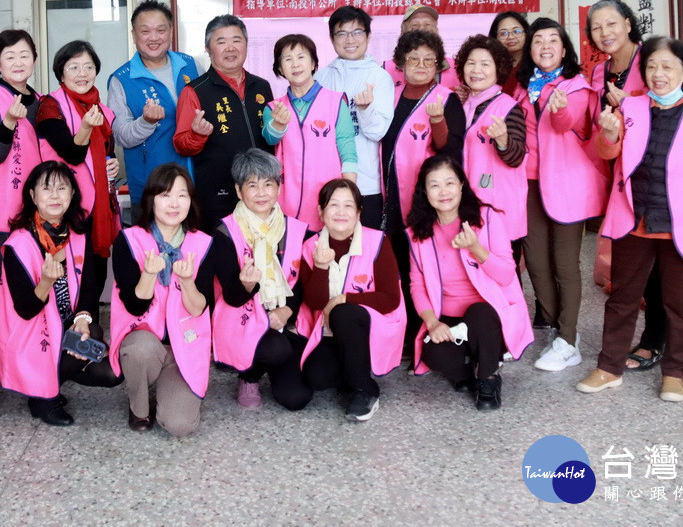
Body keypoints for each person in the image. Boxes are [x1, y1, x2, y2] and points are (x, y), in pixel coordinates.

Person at [577, 37, 683, 403]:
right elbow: (607, 153)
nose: (658, 74)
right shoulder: (630, 107)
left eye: (667, 66)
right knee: (622, 299)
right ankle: (609, 368)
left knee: (682, 307)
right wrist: (609, 133)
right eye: (651, 66)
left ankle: (675, 373)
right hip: (634, 220)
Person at [0, 161, 122, 427]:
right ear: (32, 195)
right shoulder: (19, 243)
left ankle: (54, 377)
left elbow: (89, 288)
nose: (55, 195)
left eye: (62, 188)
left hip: (65, 329)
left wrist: (83, 319)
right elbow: (25, 309)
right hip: (32, 337)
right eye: (46, 188)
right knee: (79, 346)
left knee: (111, 371)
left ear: (72, 194)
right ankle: (42, 397)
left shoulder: (78, 235)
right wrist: (45, 282)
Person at [515, 18, 608, 372]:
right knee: (536, 263)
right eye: (538, 40)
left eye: (552, 40)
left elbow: (568, 123)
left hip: (567, 186)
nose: (545, 46)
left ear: (564, 48)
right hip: (529, 184)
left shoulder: (577, 87)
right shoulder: (523, 89)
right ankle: (560, 328)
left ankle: (568, 339)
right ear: (530, 50)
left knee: (565, 263)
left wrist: (559, 109)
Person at [405, 155, 532, 410]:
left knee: (480, 314)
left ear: (462, 184)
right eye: (434, 185)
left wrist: (476, 248)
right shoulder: (418, 232)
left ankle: (488, 378)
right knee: (434, 355)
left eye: (450, 183)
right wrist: (432, 323)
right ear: (424, 191)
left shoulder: (487, 218)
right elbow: (416, 285)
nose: (443, 192)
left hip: (488, 315)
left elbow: (506, 275)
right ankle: (470, 369)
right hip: (449, 317)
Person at [110, 164, 226, 436]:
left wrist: (186, 281)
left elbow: (199, 309)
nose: (174, 203)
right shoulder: (129, 240)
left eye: (182, 195)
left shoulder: (204, 244)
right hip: (146, 342)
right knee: (139, 349)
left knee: (180, 426)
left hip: (184, 345)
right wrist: (149, 275)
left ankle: (171, 386)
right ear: (151, 200)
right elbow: (134, 306)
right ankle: (139, 408)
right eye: (165, 195)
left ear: (190, 201)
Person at [587, 0, 664, 372]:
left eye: (611, 23)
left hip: (654, 172)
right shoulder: (599, 72)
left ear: (629, 24)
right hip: (618, 174)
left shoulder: (652, 60)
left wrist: (630, 104)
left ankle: (655, 340)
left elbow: (671, 108)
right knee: (633, 261)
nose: (605, 32)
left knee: (657, 260)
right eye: (597, 27)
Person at [380, 29, 465, 349]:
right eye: (413, 59)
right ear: (400, 63)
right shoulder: (390, 95)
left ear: (438, 65)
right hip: (389, 195)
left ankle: (426, 331)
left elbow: (451, 153)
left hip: (424, 198)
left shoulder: (446, 99)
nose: (420, 65)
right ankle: (401, 334)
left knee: (421, 266)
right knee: (396, 266)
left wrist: (438, 121)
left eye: (429, 60)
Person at [213, 149, 313, 411]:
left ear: (278, 188)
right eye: (252, 185)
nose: (261, 193)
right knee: (276, 350)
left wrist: (287, 310)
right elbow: (232, 296)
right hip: (245, 319)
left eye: (268, 184)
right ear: (238, 191)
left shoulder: (296, 230)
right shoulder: (225, 232)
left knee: (296, 398)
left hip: (286, 320)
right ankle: (250, 376)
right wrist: (246, 284)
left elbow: (304, 282)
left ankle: (277, 362)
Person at [298, 179, 406, 422]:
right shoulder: (309, 247)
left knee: (344, 312)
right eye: (333, 205)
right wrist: (321, 266)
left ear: (358, 213)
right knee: (316, 378)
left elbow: (391, 299)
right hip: (329, 333)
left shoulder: (378, 242)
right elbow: (314, 303)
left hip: (370, 330)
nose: (341, 212)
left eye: (348, 205)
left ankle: (365, 390)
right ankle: (353, 371)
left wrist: (344, 298)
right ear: (321, 211)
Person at [37, 40, 121, 310]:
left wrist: (112, 164)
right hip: (66, 207)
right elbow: (71, 153)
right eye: (73, 67)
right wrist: (85, 127)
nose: (82, 73)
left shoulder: (101, 109)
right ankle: (71, 331)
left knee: (96, 276)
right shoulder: (50, 106)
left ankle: (89, 329)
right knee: (74, 279)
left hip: (99, 205)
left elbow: (106, 152)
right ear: (61, 73)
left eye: (88, 67)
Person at [0, 28, 43, 337]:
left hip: (36, 209)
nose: (18, 62)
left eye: (24, 55)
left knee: (31, 283)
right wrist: (9, 122)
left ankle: (29, 351)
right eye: (9, 56)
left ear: (34, 60)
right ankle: (4, 355)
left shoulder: (42, 103)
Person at [174, 15, 274, 226]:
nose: (230, 48)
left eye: (237, 40)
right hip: (217, 196)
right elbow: (181, 144)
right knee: (223, 246)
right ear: (208, 49)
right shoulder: (194, 91)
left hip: (261, 194)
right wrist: (196, 135)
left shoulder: (262, 87)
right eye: (221, 42)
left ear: (246, 44)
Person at [107, 0, 198, 222]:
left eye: (160, 30)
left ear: (171, 31)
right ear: (134, 34)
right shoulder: (121, 79)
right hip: (150, 190)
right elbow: (120, 135)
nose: (154, 37)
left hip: (194, 185)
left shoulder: (191, 66)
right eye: (145, 31)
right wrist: (145, 122)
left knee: (194, 244)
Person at [262, 34, 357, 230]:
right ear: (280, 69)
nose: (295, 64)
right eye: (287, 59)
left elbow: (347, 150)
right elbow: (269, 138)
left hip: (329, 200)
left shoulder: (336, 102)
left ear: (313, 63)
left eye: (301, 57)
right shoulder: (274, 108)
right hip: (287, 201)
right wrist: (278, 124)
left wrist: (350, 198)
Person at [315, 6, 394, 228]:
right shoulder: (320, 78)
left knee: (365, 246)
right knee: (326, 246)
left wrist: (365, 109)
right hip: (325, 182)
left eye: (357, 32)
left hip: (366, 184)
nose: (350, 40)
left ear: (368, 36)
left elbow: (378, 132)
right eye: (342, 33)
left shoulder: (380, 77)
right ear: (332, 39)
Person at [454, 34, 528, 255]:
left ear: (499, 70)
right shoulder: (464, 106)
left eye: (485, 64)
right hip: (470, 204)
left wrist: (503, 140)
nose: (476, 70)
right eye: (471, 63)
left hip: (499, 208)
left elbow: (516, 157)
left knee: (502, 267)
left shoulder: (508, 107)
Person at [385, 5, 460, 90]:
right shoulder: (385, 70)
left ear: (437, 31)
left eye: (427, 25)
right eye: (414, 25)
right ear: (402, 33)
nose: (421, 29)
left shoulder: (457, 68)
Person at [488, 10, 530, 99]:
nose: (510, 37)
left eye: (516, 31)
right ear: (495, 37)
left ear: (526, 33)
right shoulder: (491, 65)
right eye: (503, 33)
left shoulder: (536, 63)